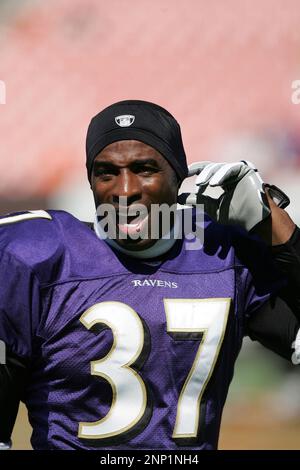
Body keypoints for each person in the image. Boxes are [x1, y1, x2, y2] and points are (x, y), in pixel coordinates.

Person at [0, 99, 300, 450]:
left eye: (144, 169)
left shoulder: (221, 253)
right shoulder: (37, 256)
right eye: (106, 172)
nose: (125, 191)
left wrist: (270, 219)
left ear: (178, 176)